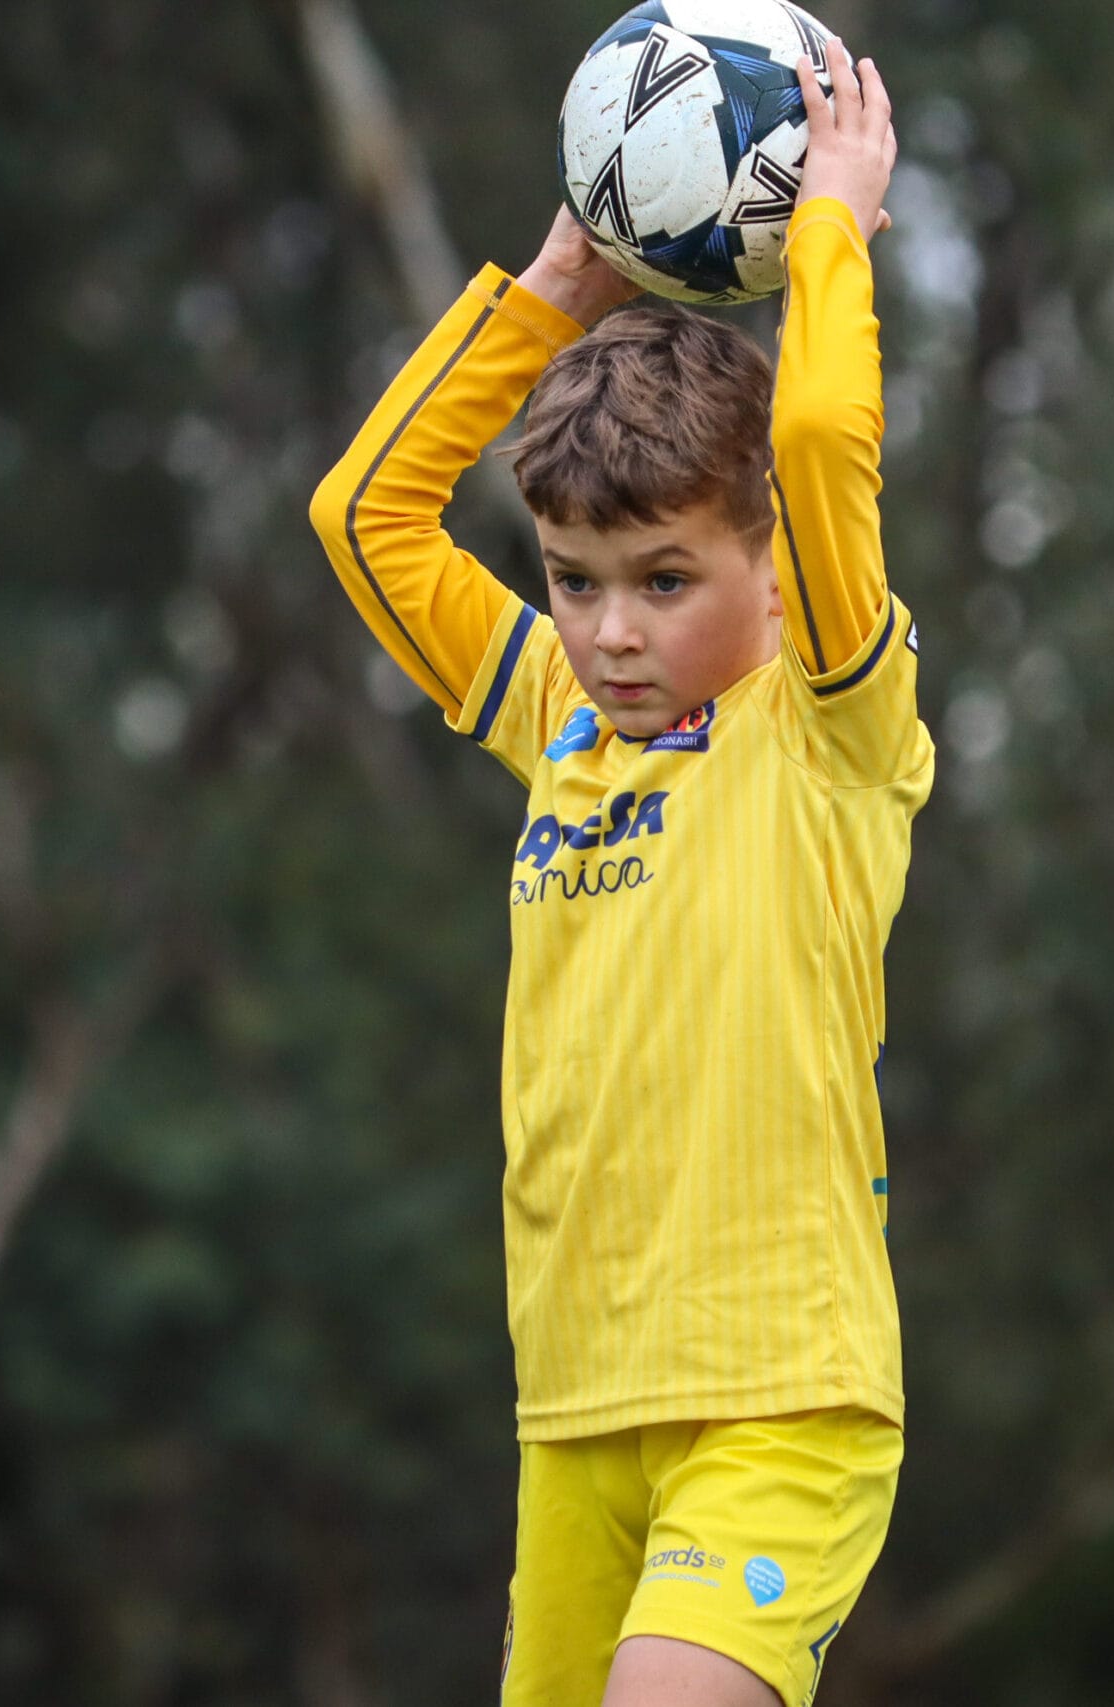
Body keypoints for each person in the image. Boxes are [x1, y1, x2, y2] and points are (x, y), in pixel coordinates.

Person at [307, 39, 925, 1707]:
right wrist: (561, 276)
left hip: (780, 1404)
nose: (612, 631)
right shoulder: (553, 722)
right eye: (577, 582)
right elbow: (368, 518)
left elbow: (812, 432)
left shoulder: (830, 725)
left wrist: (834, 236)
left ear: (778, 570)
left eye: (664, 578)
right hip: (575, 1418)